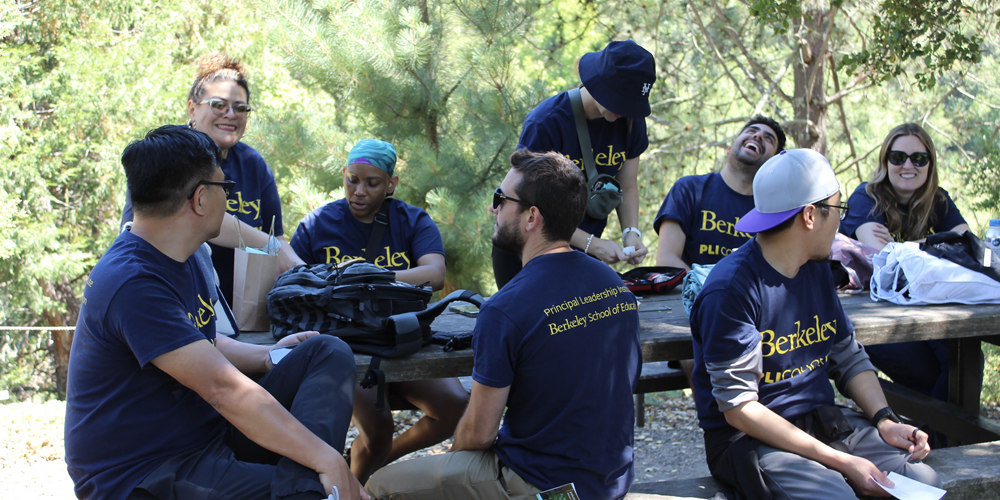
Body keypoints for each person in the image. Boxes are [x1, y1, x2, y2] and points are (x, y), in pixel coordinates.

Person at [65, 125, 366, 500]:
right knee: (314, 485)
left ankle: (301, 485)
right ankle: (308, 488)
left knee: (326, 352)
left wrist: (268, 356)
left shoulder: (182, 252)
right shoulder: (132, 281)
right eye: (225, 189)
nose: (229, 199)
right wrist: (329, 460)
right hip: (145, 471)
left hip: (201, 433)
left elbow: (196, 342)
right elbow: (224, 389)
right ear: (201, 200)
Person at [365, 150, 642, 499]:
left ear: (531, 217)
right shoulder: (614, 286)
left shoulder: (506, 309)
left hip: (544, 486)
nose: (492, 208)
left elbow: (478, 434)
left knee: (380, 485)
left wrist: (452, 469)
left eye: (501, 199)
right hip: (610, 480)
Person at [690, 149, 941, 499]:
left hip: (823, 422)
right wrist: (841, 462)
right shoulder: (732, 290)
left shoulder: (816, 266)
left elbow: (846, 354)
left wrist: (885, 419)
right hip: (753, 441)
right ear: (810, 215)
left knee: (921, 483)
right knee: (836, 495)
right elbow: (740, 409)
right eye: (838, 210)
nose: (840, 221)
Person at [290, 139, 466, 483]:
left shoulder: (412, 220)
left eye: (372, 183)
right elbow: (294, 283)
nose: (359, 191)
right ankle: (357, 482)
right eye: (352, 180)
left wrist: (364, 279)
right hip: (346, 345)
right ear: (343, 175)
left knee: (454, 407)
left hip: (403, 338)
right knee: (377, 429)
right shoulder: (317, 224)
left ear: (391, 184)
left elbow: (434, 274)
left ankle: (374, 467)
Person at [120, 52, 303, 305]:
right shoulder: (169, 153)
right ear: (192, 109)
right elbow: (196, 217)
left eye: (240, 108)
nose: (230, 114)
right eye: (218, 104)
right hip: (166, 295)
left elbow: (278, 236)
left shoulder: (253, 164)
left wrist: (306, 273)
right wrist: (267, 243)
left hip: (239, 309)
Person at [493, 40, 656, 288]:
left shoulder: (631, 122)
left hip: (579, 254)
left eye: (631, 105)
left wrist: (630, 234)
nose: (624, 111)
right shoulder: (547, 123)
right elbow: (529, 208)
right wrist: (592, 243)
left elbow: (628, 184)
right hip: (530, 254)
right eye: (620, 102)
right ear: (599, 82)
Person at [840, 123, 973, 401]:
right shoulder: (867, 197)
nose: (908, 165)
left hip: (927, 309)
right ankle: (942, 438)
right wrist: (937, 245)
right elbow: (885, 262)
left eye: (919, 158)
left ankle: (939, 438)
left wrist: (906, 247)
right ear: (886, 161)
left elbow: (967, 245)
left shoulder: (937, 200)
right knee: (935, 377)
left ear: (930, 164)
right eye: (898, 157)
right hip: (874, 318)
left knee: (966, 358)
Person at [654, 116, 786, 269]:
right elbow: (666, 260)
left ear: (773, 165)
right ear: (730, 148)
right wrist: (710, 291)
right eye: (751, 131)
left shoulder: (773, 213)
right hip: (688, 292)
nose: (757, 136)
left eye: (769, 139)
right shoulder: (689, 189)